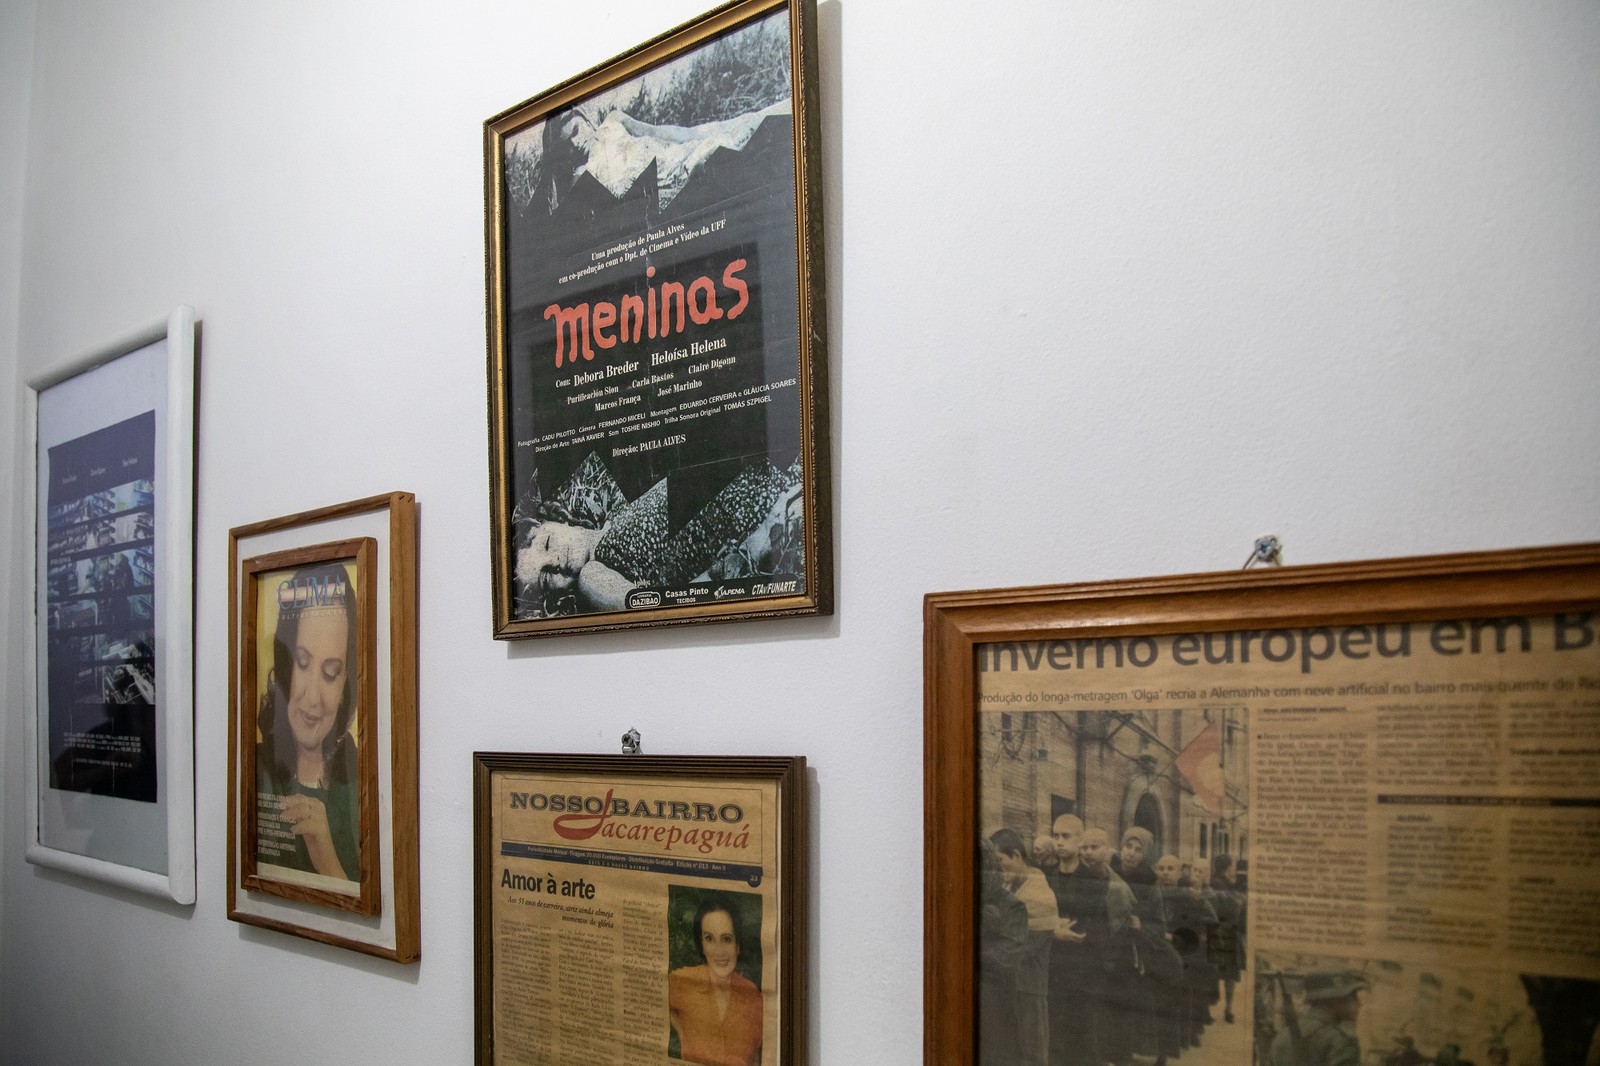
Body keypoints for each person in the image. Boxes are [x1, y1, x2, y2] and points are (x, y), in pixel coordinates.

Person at [515, 458, 801, 617]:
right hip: (778, 518)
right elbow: (671, 608)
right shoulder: (593, 577)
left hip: (778, 480)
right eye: (545, 577)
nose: (555, 561)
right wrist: (762, 540)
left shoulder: (617, 517)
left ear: (561, 521)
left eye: (547, 544)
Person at [254, 562, 362, 882]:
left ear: (345, 684)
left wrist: (326, 859)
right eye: (302, 664)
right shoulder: (256, 769)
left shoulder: (363, 776)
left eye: (330, 674)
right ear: (285, 666)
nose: (313, 698)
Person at [669, 894, 763, 1066]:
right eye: (709, 939)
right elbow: (650, 995)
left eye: (726, 939)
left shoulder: (753, 996)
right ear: (702, 946)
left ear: (738, 945)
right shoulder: (684, 980)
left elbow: (756, 1057)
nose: (719, 951)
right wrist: (681, 1032)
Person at [992, 828, 1057, 1066]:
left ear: (1017, 855)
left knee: (1031, 1054)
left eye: (1001, 861)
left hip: (1030, 988)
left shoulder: (1039, 894)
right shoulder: (1014, 886)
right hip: (1010, 986)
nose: (999, 869)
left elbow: (1023, 948)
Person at [1268, 970, 1366, 1066]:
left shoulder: (1281, 1038)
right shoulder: (1339, 1043)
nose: (1359, 1003)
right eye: (1353, 997)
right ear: (1334, 999)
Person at [1209, 853, 1245, 1023]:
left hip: (1221, 931)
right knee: (1229, 974)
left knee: (1220, 972)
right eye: (1233, 867)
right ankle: (1228, 1009)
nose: (1234, 871)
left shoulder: (1220, 883)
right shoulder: (1220, 885)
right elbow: (1232, 909)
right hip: (1225, 931)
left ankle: (1223, 1009)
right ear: (1227, 868)